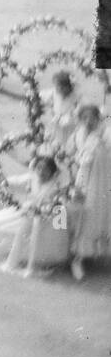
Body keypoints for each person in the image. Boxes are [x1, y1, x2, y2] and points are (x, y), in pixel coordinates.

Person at [0, 157, 71, 277]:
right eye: (39, 168)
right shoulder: (32, 178)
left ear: (53, 172)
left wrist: (48, 210)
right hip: (29, 211)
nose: (41, 172)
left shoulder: (57, 185)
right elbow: (14, 182)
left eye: (46, 169)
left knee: (38, 232)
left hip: (50, 216)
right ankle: (8, 255)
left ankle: (37, 262)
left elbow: (61, 206)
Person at [70, 105, 111, 281]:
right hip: (81, 178)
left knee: (95, 212)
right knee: (76, 212)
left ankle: (91, 253)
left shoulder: (106, 133)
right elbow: (70, 153)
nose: (88, 121)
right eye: (84, 117)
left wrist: (98, 152)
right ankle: (74, 256)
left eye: (91, 117)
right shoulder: (78, 133)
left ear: (98, 117)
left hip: (100, 180)